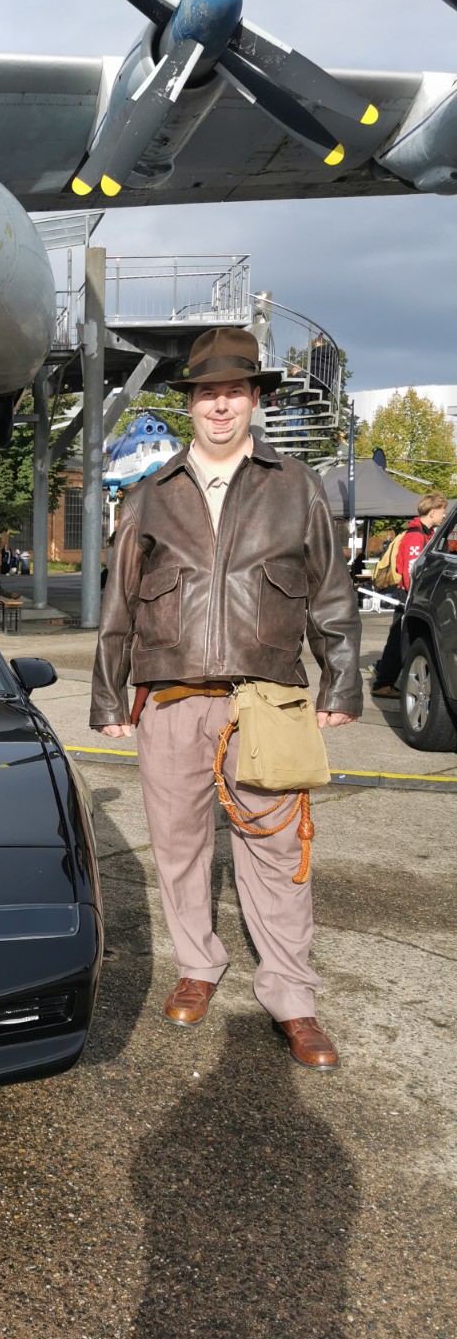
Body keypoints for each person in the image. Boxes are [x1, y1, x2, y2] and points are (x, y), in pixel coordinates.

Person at [90, 327, 362, 1070]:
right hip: (171, 699)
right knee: (178, 847)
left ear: (254, 399)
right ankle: (198, 964)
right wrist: (108, 696)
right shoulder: (150, 495)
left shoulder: (296, 486)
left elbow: (331, 593)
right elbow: (119, 606)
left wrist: (340, 677)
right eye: (207, 392)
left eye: (233, 391)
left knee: (277, 851)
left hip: (266, 698)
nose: (220, 405)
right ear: (191, 404)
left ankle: (292, 997)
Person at [370, 492, 449, 697]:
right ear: (432, 512)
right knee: (399, 640)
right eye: (442, 511)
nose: (444, 515)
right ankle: (383, 682)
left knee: (400, 639)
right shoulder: (415, 536)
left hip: (410, 596)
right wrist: (416, 597)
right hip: (409, 596)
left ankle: (383, 673)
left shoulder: (422, 533)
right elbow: (411, 572)